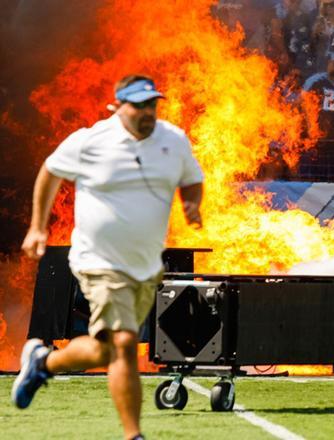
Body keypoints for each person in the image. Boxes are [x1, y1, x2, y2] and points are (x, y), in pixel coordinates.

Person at [12, 75, 204, 440]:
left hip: (146, 266)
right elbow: (50, 172)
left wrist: (191, 203)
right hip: (98, 261)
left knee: (102, 350)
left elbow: (192, 177)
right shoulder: (90, 141)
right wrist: (38, 227)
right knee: (123, 344)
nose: (147, 113)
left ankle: (43, 362)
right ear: (116, 107)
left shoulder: (173, 141)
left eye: (152, 105)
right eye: (138, 106)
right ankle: (134, 435)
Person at [302, 52, 334, 178]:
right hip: (318, 139)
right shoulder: (316, 81)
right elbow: (303, 105)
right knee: (315, 176)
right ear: (328, 64)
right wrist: (311, 129)